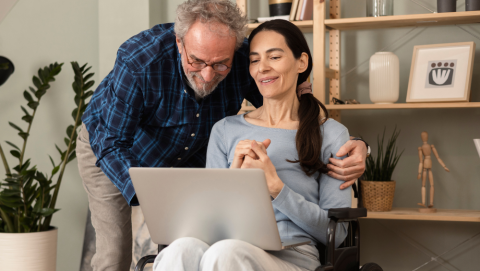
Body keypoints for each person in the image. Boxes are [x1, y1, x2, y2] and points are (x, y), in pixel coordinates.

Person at [76, 0, 368, 270]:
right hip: (114, 146)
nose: (206, 76)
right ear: (180, 43)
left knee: (217, 250)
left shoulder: (245, 60)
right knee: (120, 255)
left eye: (220, 64)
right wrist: (153, 196)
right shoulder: (141, 61)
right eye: (197, 62)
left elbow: (291, 100)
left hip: (195, 157)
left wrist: (357, 145)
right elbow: (111, 142)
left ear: (235, 51)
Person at [152, 19, 352, 271]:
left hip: (292, 255)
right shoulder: (225, 130)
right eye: (255, 60)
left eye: (274, 57)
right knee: (180, 248)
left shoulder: (331, 134)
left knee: (226, 252)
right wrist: (235, 183)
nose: (262, 68)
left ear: (301, 62)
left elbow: (340, 234)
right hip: (226, 245)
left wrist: (275, 187)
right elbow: (211, 221)